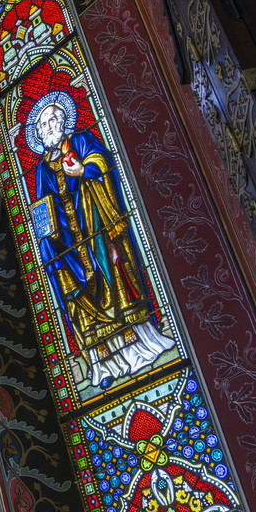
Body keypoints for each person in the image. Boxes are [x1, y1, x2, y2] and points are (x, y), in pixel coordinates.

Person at [27, 90, 174, 386]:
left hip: (95, 224)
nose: (50, 126)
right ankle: (103, 365)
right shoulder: (42, 168)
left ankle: (142, 342)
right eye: (43, 124)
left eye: (54, 119)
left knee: (114, 273)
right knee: (77, 291)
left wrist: (83, 170)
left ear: (64, 122)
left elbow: (103, 162)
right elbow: (42, 206)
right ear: (39, 134)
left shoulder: (81, 141)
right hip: (68, 243)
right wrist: (48, 233)